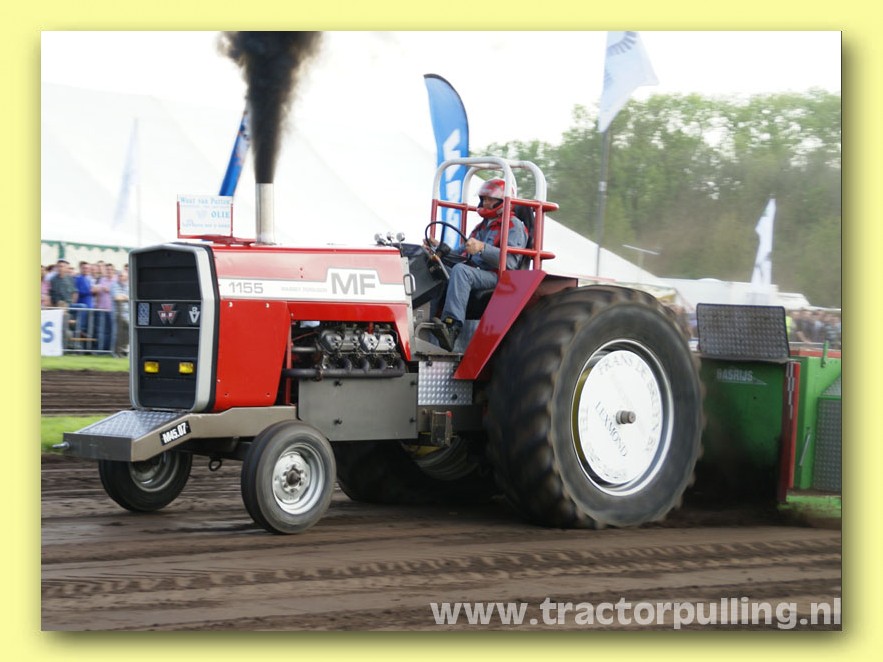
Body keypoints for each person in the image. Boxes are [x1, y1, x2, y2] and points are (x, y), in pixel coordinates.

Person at [425, 178, 527, 351]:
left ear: (503, 201)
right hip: (475, 272)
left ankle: (451, 327)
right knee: (437, 269)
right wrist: (439, 248)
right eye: (483, 198)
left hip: (497, 275)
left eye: (490, 199)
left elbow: (510, 262)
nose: (485, 202)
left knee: (461, 271)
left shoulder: (514, 225)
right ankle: (424, 323)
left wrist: (483, 249)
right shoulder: (482, 226)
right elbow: (461, 253)